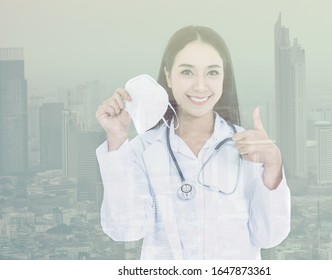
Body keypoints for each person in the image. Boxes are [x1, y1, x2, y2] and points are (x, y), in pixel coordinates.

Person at [95, 25, 290, 260]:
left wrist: (273, 164)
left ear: (224, 76)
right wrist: (116, 139)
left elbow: (270, 236)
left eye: (212, 72)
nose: (200, 86)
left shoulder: (249, 147)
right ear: (168, 75)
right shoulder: (143, 149)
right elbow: (126, 230)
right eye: (187, 72)